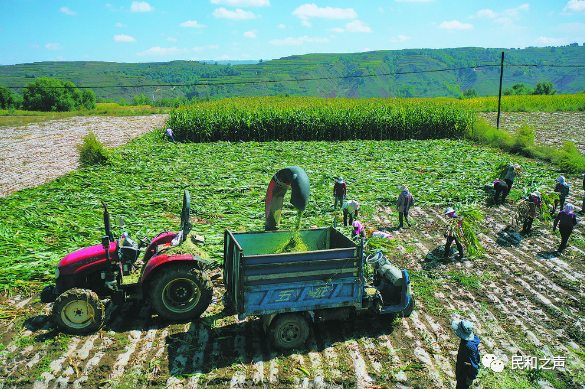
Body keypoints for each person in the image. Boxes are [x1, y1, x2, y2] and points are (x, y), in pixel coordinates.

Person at [452, 319, 481, 389]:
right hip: (463, 368)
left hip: (464, 374)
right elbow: (477, 357)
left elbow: (474, 363)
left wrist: (470, 378)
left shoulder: (468, 346)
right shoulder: (473, 339)